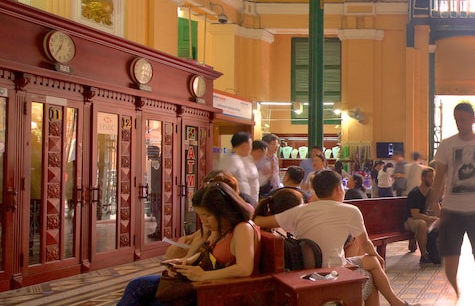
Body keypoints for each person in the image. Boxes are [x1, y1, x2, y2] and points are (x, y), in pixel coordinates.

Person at [253, 169, 414, 306]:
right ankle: (396, 303)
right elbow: (365, 245)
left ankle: (396, 303)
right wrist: (378, 256)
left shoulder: (300, 210)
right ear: (338, 189)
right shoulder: (350, 210)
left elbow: (258, 221)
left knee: (372, 263)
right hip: (334, 271)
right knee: (370, 275)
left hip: (308, 271)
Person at [117, 182, 259, 306]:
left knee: (151, 299)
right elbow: (210, 255)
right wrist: (184, 262)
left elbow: (244, 269)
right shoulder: (222, 227)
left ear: (224, 212)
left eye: (207, 215)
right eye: (200, 216)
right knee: (136, 286)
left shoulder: (242, 229)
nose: (203, 221)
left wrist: (203, 276)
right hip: (203, 282)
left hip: (216, 288)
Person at [426, 101, 475, 306]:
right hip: (452, 211)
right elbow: (439, 177)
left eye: (463, 119)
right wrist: (435, 202)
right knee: (450, 264)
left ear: (473, 120)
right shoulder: (447, 145)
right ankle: (456, 292)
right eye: (457, 120)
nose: (460, 123)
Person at [405, 166, 440, 264]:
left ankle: (438, 252)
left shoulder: (431, 192)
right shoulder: (415, 193)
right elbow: (415, 215)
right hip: (410, 220)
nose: (432, 179)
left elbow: (438, 211)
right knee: (422, 224)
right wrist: (432, 218)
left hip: (424, 218)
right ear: (423, 178)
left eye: (433, 177)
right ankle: (423, 255)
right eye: (430, 177)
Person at [217, 131, 260, 206]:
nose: (251, 149)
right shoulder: (230, 160)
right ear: (244, 146)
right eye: (250, 146)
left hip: (244, 200)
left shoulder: (238, 159)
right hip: (237, 201)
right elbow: (225, 180)